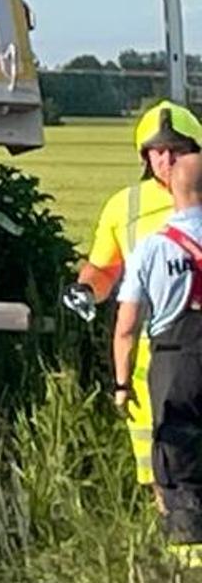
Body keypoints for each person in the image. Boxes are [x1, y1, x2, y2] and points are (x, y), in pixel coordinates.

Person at [73, 101, 202, 500]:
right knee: (160, 466)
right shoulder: (124, 206)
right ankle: (167, 531)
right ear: (144, 156)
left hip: (183, 345)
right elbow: (103, 269)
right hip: (146, 358)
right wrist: (85, 290)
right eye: (157, 151)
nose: (166, 160)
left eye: (176, 150)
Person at [117, 130, 202, 552]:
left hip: (174, 362)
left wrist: (121, 383)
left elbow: (126, 326)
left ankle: (188, 555)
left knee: (178, 455)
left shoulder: (151, 248)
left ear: (171, 189)